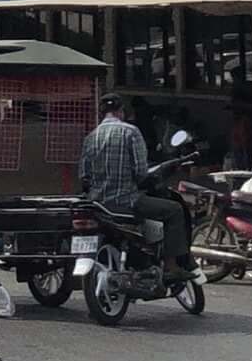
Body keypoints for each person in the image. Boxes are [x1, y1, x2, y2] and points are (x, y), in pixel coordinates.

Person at [80, 91, 191, 262]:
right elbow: (140, 173)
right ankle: (171, 266)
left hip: (98, 205)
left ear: (101, 113)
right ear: (121, 111)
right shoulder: (131, 132)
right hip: (126, 202)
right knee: (174, 210)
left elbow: (84, 176)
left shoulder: (90, 137)